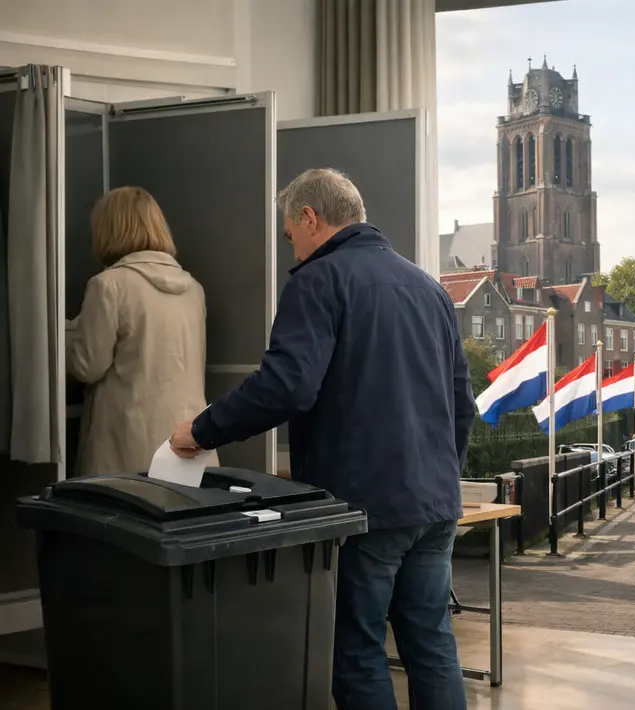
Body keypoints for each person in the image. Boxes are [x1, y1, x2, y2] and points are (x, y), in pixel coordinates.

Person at [167, 169, 475, 710]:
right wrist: (442, 477)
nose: (294, 247)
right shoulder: (429, 288)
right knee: (431, 645)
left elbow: (286, 386)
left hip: (366, 507)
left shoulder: (318, 281)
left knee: (355, 651)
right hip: (435, 504)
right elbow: (461, 405)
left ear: (310, 218)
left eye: (291, 234)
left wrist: (201, 429)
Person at [67, 186, 216, 477]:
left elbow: (87, 365)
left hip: (126, 450)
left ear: (109, 229)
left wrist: (58, 333)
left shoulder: (108, 286)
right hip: (188, 443)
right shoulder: (192, 288)